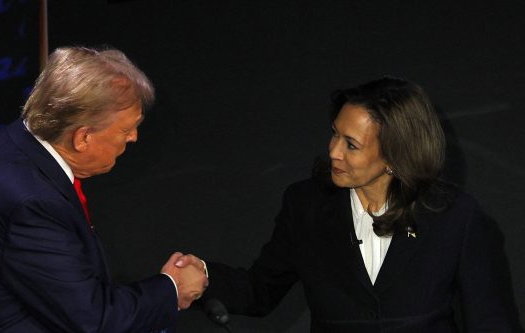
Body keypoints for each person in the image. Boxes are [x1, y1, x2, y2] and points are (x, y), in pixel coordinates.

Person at [190, 77, 517, 332]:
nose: (334, 151)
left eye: (351, 144)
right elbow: (259, 291)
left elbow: (489, 322)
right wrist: (199, 276)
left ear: (394, 154)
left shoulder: (453, 215)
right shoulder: (305, 206)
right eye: (335, 135)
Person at [0, 46, 208, 332]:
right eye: (125, 130)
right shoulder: (32, 201)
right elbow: (95, 320)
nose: (133, 138)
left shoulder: (14, 143)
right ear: (82, 137)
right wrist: (172, 289)